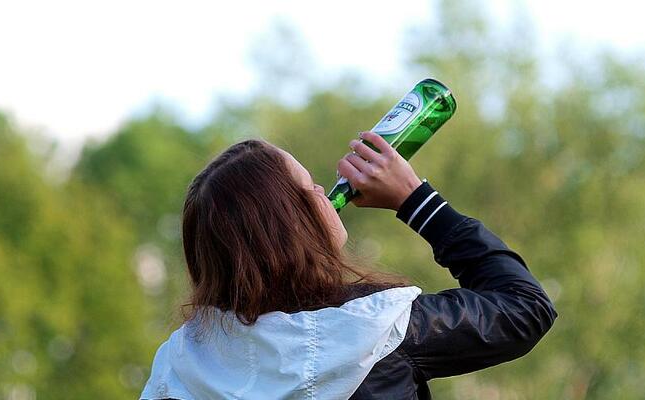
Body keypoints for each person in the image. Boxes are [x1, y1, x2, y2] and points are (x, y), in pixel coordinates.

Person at [140, 131, 557, 400]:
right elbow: (526, 306)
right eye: (308, 187)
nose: (324, 191)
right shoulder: (375, 327)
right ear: (289, 225)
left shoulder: (180, 365)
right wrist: (415, 199)